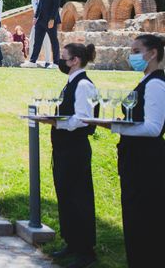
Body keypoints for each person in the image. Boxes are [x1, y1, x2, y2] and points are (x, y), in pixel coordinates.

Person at [85, 35, 165, 268]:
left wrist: (114, 125)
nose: (133, 55)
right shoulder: (147, 81)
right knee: (134, 220)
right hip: (135, 161)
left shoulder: (157, 84)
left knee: (145, 221)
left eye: (136, 50)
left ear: (152, 54)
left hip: (147, 163)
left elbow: (153, 127)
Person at [37, 44, 99, 268]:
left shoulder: (83, 85)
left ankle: (85, 251)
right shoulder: (72, 82)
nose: (60, 61)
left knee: (78, 197)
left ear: (75, 61)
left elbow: (83, 120)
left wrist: (55, 122)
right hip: (65, 148)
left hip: (75, 149)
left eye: (63, 58)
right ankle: (72, 242)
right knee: (65, 194)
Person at [21, 0, 61, 69]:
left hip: (50, 20)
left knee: (53, 41)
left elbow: (56, 5)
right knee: (37, 41)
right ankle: (32, 61)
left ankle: (56, 63)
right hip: (40, 20)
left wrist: (52, 19)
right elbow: (40, 5)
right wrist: (35, 17)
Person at [27, 0, 52, 65]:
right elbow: (35, 11)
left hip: (45, 22)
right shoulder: (33, 0)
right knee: (31, 40)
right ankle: (31, 60)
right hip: (36, 22)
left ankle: (48, 61)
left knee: (46, 42)